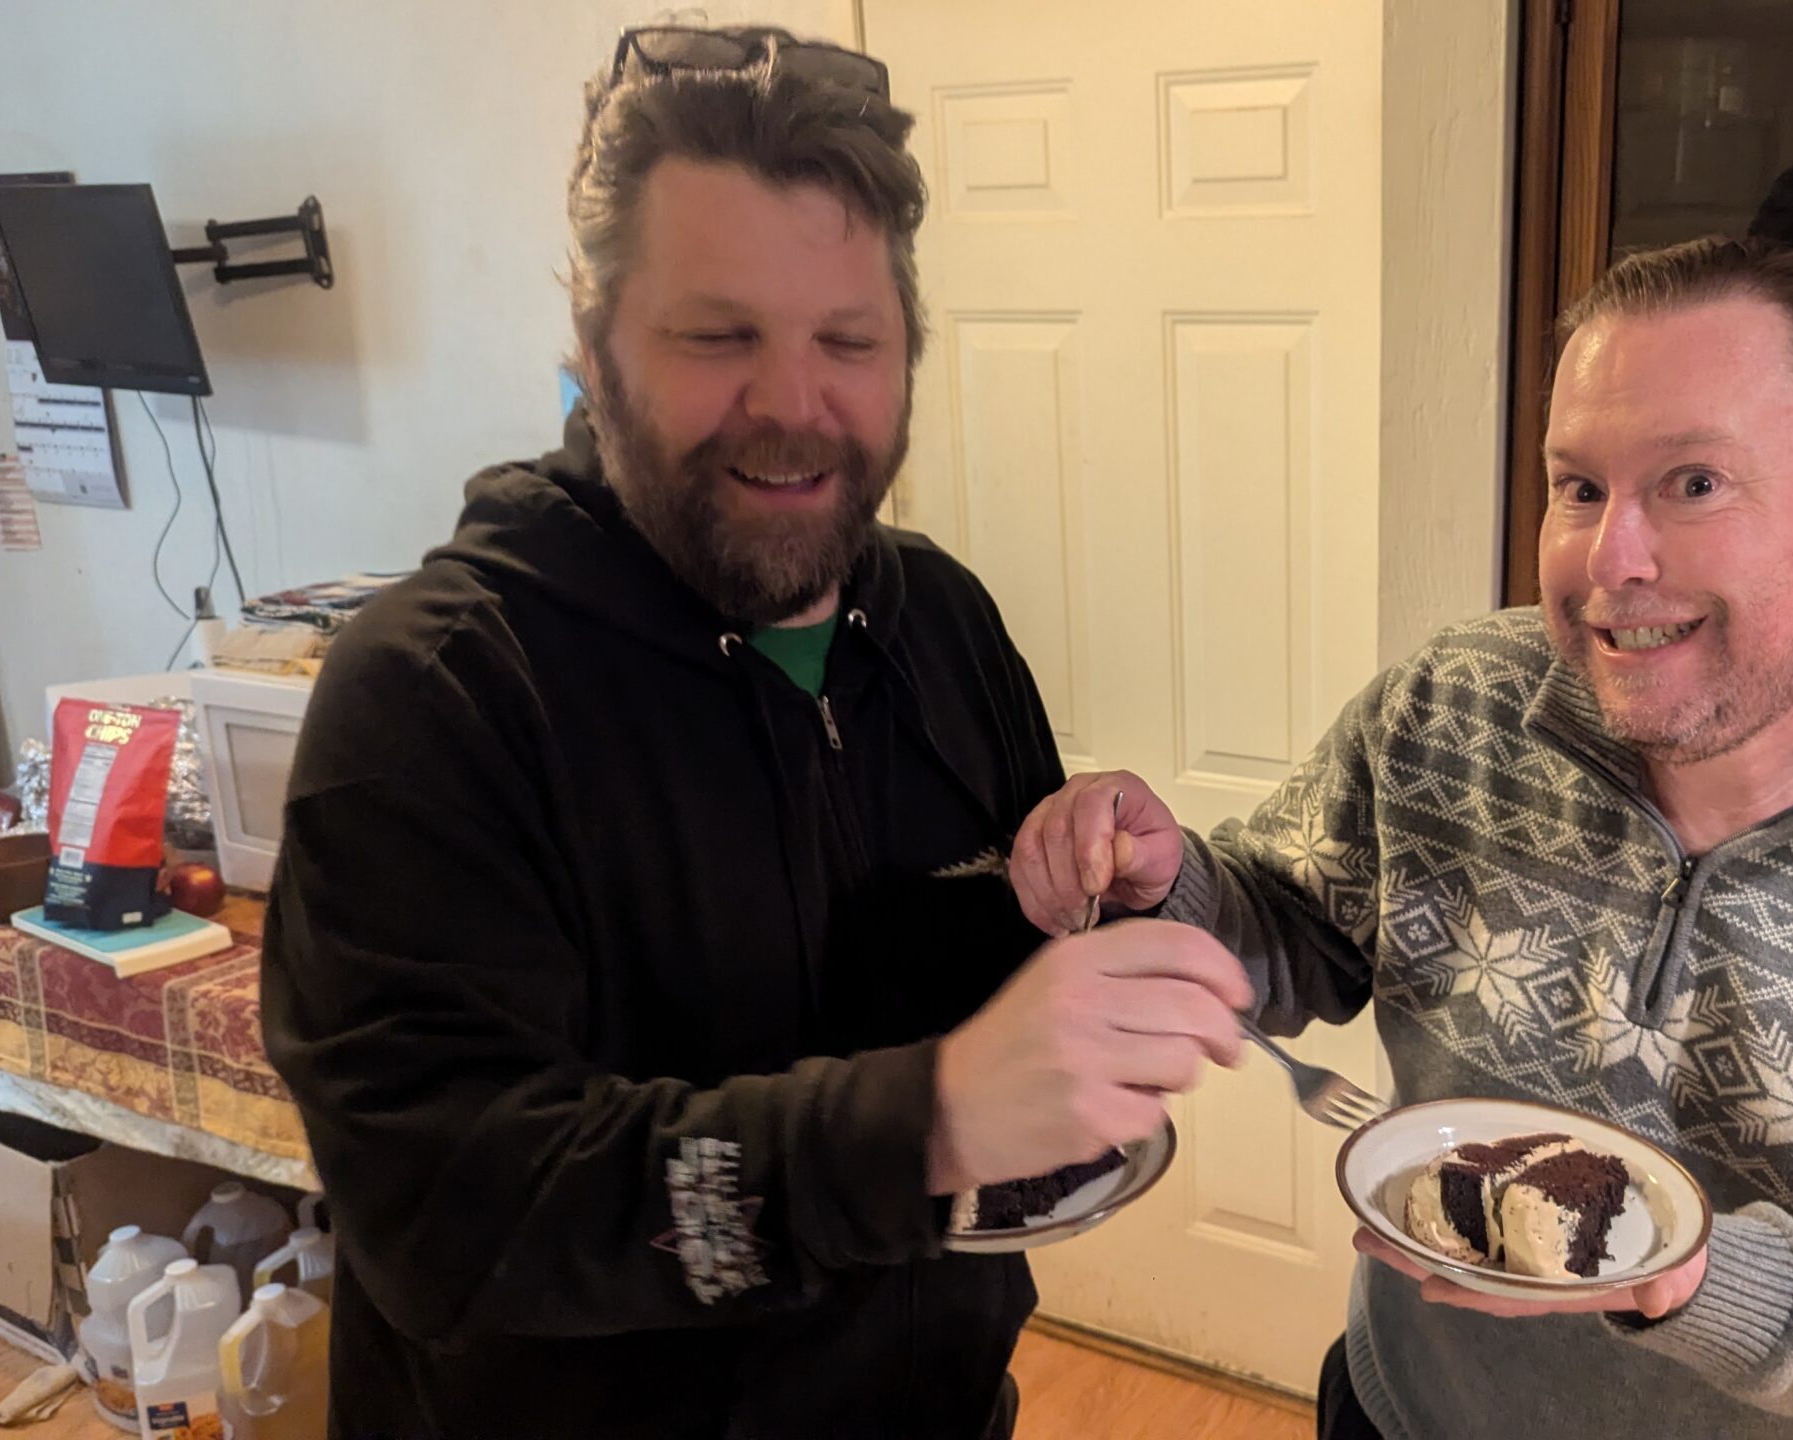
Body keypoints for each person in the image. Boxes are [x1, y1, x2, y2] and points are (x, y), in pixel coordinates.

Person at [1011, 237, 1793, 1440]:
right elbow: (1293, 924)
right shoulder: (1456, 704)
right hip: (1407, 1410)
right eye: (1577, 488)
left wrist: (1692, 1277)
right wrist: (1168, 886)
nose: (1608, 561)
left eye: (1694, 483)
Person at [260, 27, 1248, 1440]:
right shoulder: (436, 696)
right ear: (594, 345)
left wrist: (1066, 898)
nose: (791, 405)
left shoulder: (942, 621)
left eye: (848, 340)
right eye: (718, 336)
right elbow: (450, 1218)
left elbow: (930, 986)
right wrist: (925, 1125)